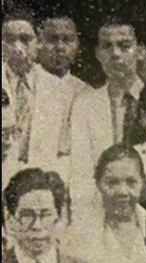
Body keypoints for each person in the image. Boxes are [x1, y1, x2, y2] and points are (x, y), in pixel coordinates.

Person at [69, 16, 143, 209]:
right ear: (98, 53)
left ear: (140, 51)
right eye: (107, 46)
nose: (115, 54)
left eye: (124, 45)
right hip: (101, 208)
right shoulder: (84, 104)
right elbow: (81, 171)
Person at [62, 144, 146, 263]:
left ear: (142, 183)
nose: (122, 191)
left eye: (131, 182)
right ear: (98, 183)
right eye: (112, 182)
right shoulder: (78, 234)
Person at [2, 10, 78, 168]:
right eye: (10, 40)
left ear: (39, 42)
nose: (18, 48)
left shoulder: (60, 88)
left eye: (25, 39)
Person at [36, 14, 92, 159]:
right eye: (52, 39)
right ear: (38, 42)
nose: (60, 47)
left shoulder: (84, 91)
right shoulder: (24, 84)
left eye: (67, 40)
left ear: (77, 46)